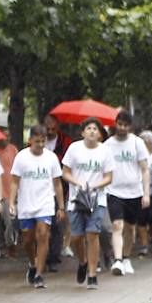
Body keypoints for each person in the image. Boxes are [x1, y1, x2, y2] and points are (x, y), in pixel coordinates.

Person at [61, 117, 114, 290]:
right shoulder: (74, 149)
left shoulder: (105, 151)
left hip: (97, 199)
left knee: (92, 234)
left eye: (95, 129)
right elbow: (65, 172)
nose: (92, 131)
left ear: (99, 134)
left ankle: (92, 274)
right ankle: (82, 261)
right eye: (88, 128)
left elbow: (108, 177)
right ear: (82, 132)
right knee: (76, 237)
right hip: (77, 199)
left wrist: (95, 185)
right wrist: (77, 183)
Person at [9, 124, 65, 289]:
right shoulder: (21, 157)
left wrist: (61, 206)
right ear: (30, 140)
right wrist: (12, 202)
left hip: (45, 203)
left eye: (43, 141)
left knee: (42, 235)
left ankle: (40, 274)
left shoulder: (51, 158)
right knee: (27, 239)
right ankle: (32, 263)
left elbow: (57, 183)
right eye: (37, 142)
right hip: (26, 203)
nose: (40, 145)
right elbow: (14, 181)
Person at [104, 110, 151, 276]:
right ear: (115, 124)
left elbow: (145, 169)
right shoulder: (108, 144)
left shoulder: (137, 143)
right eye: (119, 124)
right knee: (117, 225)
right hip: (114, 191)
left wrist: (146, 193)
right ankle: (117, 261)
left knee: (131, 229)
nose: (122, 128)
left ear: (130, 127)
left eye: (125, 125)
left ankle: (126, 257)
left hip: (134, 192)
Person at [42, 113, 72, 270]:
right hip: (40, 188)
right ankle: (42, 256)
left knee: (57, 224)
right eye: (48, 128)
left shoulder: (65, 142)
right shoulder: (38, 141)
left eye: (53, 128)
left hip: (59, 186)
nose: (50, 131)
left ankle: (54, 257)